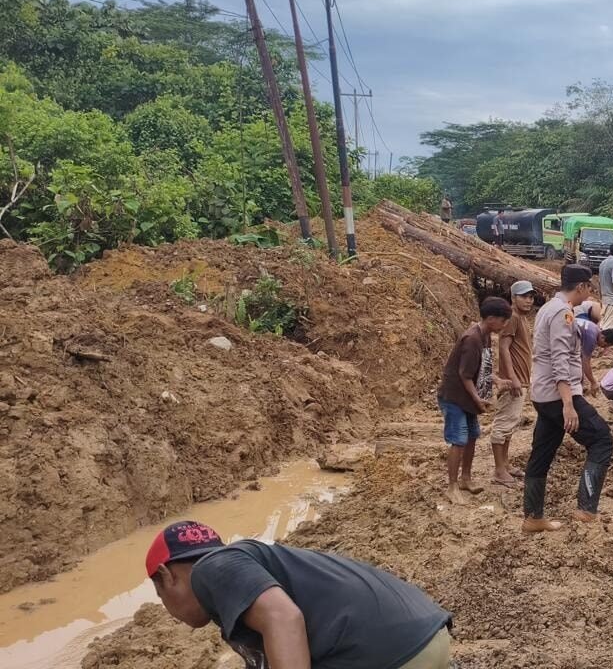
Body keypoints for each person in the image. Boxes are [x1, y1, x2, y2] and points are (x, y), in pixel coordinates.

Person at [147, 520, 452, 668]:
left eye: (161, 598)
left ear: (165, 575)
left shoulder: (211, 569)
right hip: (424, 636)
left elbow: (284, 618)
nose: (171, 614)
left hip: (392, 654)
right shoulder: (251, 566)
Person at [522, 264, 613, 532]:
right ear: (581, 287)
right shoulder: (562, 314)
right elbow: (560, 360)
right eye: (589, 287)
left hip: (543, 394)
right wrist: (568, 405)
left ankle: (533, 517)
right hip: (558, 396)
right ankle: (586, 510)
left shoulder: (548, 309)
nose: (590, 293)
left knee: (542, 452)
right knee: (602, 440)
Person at [438, 296, 512, 504]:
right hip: (455, 397)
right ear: (490, 319)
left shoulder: (486, 336)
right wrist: (478, 399)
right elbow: (465, 375)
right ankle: (452, 486)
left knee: (472, 435)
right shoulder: (472, 339)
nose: (504, 325)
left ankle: (466, 478)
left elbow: (482, 367)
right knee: (459, 439)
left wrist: (496, 380)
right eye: (502, 320)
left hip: (468, 397)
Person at [491, 281, 536, 488]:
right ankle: (499, 470)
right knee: (503, 425)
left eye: (531, 297)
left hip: (521, 380)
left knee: (510, 424)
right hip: (513, 382)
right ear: (513, 297)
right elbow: (503, 347)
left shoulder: (521, 318)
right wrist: (513, 377)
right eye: (524, 296)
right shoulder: (513, 318)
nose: (529, 300)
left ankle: (505, 464)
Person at [576, 315, 613, 396]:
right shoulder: (591, 338)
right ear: (602, 337)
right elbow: (585, 363)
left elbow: (581, 357)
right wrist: (593, 382)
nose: (603, 347)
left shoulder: (594, 327)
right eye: (605, 345)